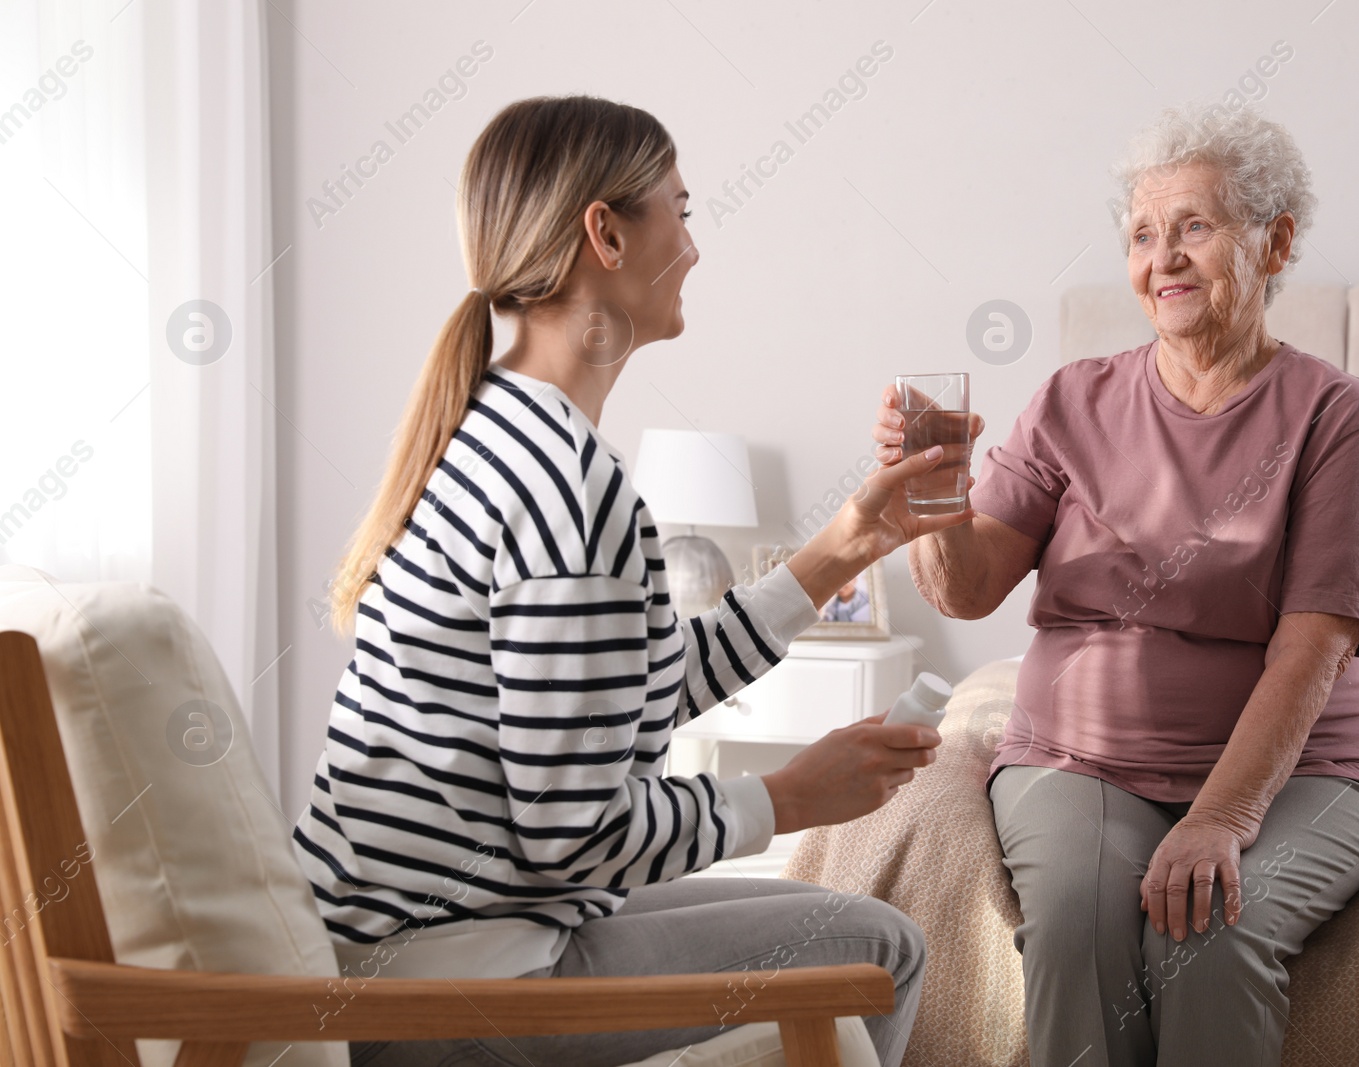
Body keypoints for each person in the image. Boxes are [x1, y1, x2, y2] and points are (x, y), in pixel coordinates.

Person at [294, 95, 970, 1067]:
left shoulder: (490, 436)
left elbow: (624, 690)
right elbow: (574, 835)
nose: (694, 248)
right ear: (604, 234)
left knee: (841, 913)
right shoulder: (569, 485)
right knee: (882, 946)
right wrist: (784, 795)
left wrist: (848, 543)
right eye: (681, 212)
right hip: (462, 985)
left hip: (413, 949)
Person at [873, 103, 1359, 1067]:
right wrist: (932, 499)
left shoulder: (1339, 416)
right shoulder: (1073, 398)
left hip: (1306, 771)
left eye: (1194, 227)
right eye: (1142, 235)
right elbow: (965, 591)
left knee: (1211, 931)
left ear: (1275, 240)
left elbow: (1312, 646)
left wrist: (1221, 818)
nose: (1163, 259)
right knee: (1078, 924)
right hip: (1079, 759)